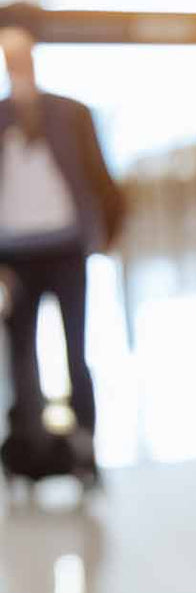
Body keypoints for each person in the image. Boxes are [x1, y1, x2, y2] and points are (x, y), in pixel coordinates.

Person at [0, 25, 125, 485]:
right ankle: (28, 449)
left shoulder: (70, 113)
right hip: (14, 254)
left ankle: (85, 445)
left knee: (77, 348)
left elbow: (100, 175)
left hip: (66, 248)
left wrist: (107, 234)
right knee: (20, 355)